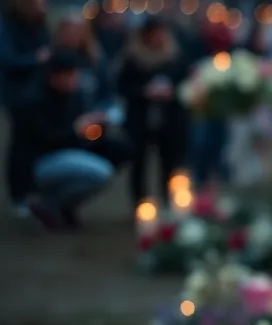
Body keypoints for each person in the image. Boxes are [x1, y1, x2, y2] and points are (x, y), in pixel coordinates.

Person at [26, 50, 131, 230]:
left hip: (69, 152)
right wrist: (76, 130)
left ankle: (64, 206)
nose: (75, 80)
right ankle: (49, 204)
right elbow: (46, 140)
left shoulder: (74, 96)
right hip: (42, 161)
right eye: (71, 75)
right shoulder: (35, 100)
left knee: (122, 149)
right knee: (100, 173)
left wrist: (96, 127)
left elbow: (81, 134)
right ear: (55, 76)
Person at [116, 16, 189, 208]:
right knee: (139, 163)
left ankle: (169, 202)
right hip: (140, 119)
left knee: (170, 163)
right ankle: (141, 205)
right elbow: (122, 86)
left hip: (170, 120)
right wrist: (144, 91)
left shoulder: (175, 56)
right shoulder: (133, 59)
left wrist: (171, 92)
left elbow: (186, 84)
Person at [1, 0, 51, 215]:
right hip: (19, 95)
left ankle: (36, 191)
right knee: (21, 146)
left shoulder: (40, 26)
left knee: (36, 144)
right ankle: (20, 194)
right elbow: (8, 60)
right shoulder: (10, 26)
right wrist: (35, 58)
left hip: (40, 94)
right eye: (40, 0)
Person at [52, 16, 115, 110]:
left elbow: (106, 95)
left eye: (77, 31)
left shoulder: (95, 60)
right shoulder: (52, 59)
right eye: (68, 31)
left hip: (90, 116)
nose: (72, 35)